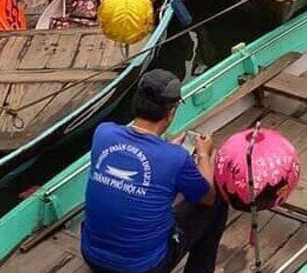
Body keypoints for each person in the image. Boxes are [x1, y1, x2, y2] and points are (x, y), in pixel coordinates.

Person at [81, 69, 228, 273]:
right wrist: (203, 154)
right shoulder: (175, 158)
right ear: (171, 112)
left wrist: (167, 151)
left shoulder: (103, 132)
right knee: (218, 200)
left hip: (92, 256)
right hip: (144, 268)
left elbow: (135, 160)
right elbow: (207, 197)